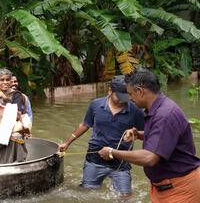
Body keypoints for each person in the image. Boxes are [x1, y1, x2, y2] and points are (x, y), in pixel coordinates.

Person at [98, 68, 200, 203]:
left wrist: (112, 152)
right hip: (164, 188)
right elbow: (165, 137)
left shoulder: (165, 114)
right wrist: (138, 134)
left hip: (180, 189)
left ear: (140, 91)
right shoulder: (158, 108)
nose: (129, 99)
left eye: (130, 94)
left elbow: (149, 158)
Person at [59, 75, 145, 197]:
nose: (123, 100)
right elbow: (84, 125)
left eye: (126, 96)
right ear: (110, 91)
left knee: (126, 197)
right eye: (119, 96)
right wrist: (67, 143)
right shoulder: (95, 105)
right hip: (95, 158)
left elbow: (145, 133)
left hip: (121, 162)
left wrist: (135, 133)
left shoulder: (135, 110)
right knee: (87, 194)